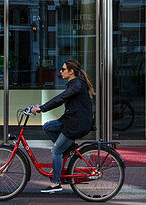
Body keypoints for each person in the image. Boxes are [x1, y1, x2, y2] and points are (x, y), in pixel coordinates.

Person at [30, 59, 95, 195]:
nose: (60, 71)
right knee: (48, 127)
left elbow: (61, 98)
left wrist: (42, 108)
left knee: (56, 151)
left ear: (71, 71)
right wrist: (41, 107)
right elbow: (61, 99)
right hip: (71, 120)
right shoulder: (74, 83)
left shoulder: (77, 85)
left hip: (76, 124)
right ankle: (68, 149)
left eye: (63, 69)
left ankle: (55, 183)